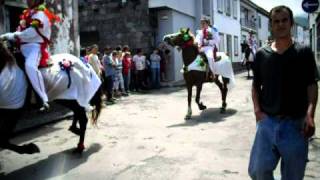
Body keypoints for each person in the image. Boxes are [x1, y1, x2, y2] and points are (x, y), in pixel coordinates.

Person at [248, 6, 319, 180]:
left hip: (295, 126)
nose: (280, 25)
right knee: (258, 171)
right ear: (271, 25)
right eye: (276, 21)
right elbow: (256, 86)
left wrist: (310, 115)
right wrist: (258, 112)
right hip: (267, 124)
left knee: (293, 177)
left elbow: (312, 86)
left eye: (284, 20)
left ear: (291, 24)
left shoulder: (303, 53)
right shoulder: (261, 55)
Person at [0, 0, 59, 111]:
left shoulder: (41, 14)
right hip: (21, 46)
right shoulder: (27, 13)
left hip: (34, 47)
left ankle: (43, 98)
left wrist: (12, 35)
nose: (27, 1)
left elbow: (31, 33)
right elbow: (20, 29)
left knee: (30, 67)